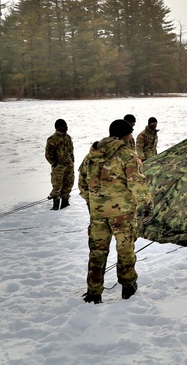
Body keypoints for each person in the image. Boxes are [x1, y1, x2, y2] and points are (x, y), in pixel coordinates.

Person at [78, 119, 149, 304]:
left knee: (97, 251)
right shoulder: (127, 155)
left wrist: (94, 202)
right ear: (126, 135)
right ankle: (127, 287)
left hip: (98, 213)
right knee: (125, 249)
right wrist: (146, 202)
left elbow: (82, 184)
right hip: (122, 214)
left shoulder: (91, 155)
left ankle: (94, 292)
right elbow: (136, 183)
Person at [45, 119, 74, 210]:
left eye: (66, 125)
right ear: (58, 127)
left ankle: (65, 202)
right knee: (57, 185)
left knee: (68, 184)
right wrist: (55, 164)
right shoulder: (52, 139)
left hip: (69, 166)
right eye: (63, 125)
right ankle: (56, 205)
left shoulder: (68, 137)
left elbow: (71, 150)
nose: (66, 127)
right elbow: (48, 154)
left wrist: (72, 160)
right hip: (59, 167)